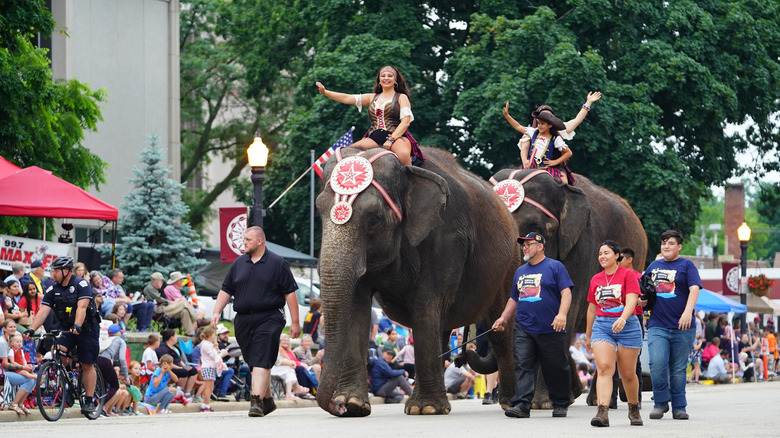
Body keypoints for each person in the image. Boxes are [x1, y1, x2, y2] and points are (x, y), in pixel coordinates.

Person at [209, 226, 301, 417]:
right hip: (243, 318)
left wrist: (295, 322)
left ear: (260, 241)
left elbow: (290, 293)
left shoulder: (277, 263)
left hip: (270, 316)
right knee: (254, 360)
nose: (244, 243)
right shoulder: (239, 263)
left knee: (260, 356)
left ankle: (256, 401)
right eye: (244, 239)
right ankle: (267, 400)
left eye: (248, 240)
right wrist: (216, 311)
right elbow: (226, 289)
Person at [492, 232, 573, 418]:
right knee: (523, 364)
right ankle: (522, 405)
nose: (524, 248)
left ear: (541, 246)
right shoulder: (520, 271)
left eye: (529, 244)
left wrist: (562, 314)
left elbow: (566, 292)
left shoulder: (555, 267)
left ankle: (560, 402)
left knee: (555, 366)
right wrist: (503, 318)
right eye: (523, 245)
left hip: (551, 326)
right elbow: (514, 297)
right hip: (524, 327)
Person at [30, 256, 101, 415]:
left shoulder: (82, 284)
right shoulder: (52, 289)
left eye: (56, 270)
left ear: (66, 271)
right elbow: (43, 311)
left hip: (86, 328)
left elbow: (82, 307)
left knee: (87, 364)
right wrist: (32, 329)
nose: (53, 273)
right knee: (56, 349)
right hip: (67, 327)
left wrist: (77, 325)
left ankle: (89, 400)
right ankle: (68, 375)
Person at [643, 230, 701, 420]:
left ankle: (679, 406)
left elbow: (694, 289)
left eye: (670, 243)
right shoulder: (654, 266)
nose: (666, 246)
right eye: (663, 243)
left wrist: (687, 312)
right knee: (656, 364)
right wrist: (641, 301)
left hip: (682, 327)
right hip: (658, 324)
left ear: (679, 246)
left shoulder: (687, 265)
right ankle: (660, 403)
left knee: (677, 368)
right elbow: (643, 290)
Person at [315, 65, 424, 166]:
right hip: (374, 137)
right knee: (348, 153)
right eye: (383, 76)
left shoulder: (401, 97)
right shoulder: (372, 97)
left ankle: (412, 183)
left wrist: (391, 140)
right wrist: (325, 92)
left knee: (403, 154)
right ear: (379, 80)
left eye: (390, 76)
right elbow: (346, 98)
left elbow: (405, 122)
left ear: (395, 81)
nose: (386, 78)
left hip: (395, 136)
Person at [585, 241, 643, 427]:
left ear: (617, 256)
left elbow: (632, 299)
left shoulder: (628, 275)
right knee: (604, 368)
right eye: (600, 253)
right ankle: (602, 412)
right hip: (602, 326)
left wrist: (623, 318)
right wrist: (588, 336)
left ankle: (633, 408)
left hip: (628, 325)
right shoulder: (596, 279)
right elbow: (592, 309)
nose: (602, 256)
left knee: (628, 374)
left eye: (606, 253)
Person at [502, 92, 601, 185]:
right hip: (529, 166)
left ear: (551, 123)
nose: (543, 120)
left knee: (564, 183)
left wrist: (589, 102)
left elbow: (577, 121)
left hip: (553, 167)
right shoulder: (530, 133)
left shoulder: (557, 134)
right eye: (541, 118)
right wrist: (525, 161)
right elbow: (524, 147)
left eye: (547, 117)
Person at [155, 329, 198, 398]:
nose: (176, 338)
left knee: (193, 370)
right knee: (183, 372)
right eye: (175, 336)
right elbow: (165, 362)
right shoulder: (163, 348)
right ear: (171, 337)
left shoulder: (175, 347)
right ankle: (178, 393)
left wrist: (186, 366)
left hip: (179, 367)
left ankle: (187, 393)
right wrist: (181, 368)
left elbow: (179, 359)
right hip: (169, 368)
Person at [198, 327, 219, 412]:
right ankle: (206, 405)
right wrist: (216, 349)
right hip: (208, 366)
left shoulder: (207, 343)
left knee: (211, 386)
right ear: (210, 335)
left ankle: (207, 403)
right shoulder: (206, 344)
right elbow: (212, 355)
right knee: (208, 387)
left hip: (210, 366)